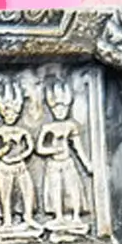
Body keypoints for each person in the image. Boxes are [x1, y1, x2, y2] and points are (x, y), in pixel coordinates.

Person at [36, 76, 93, 234]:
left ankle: (76, 216)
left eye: (63, 109)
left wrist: (87, 164)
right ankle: (59, 216)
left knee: (73, 188)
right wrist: (53, 150)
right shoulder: (48, 128)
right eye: (56, 109)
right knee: (56, 190)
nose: (59, 112)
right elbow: (39, 148)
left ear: (68, 108)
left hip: (67, 163)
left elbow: (78, 147)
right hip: (53, 165)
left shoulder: (70, 126)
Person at [0, 76, 41, 238]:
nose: (11, 116)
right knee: (5, 194)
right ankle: (7, 221)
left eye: (15, 113)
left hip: (20, 166)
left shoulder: (22, 131)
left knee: (28, 190)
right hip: (5, 167)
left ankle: (28, 217)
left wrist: (21, 156)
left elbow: (30, 148)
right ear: (2, 112)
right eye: (8, 112)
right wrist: (4, 150)